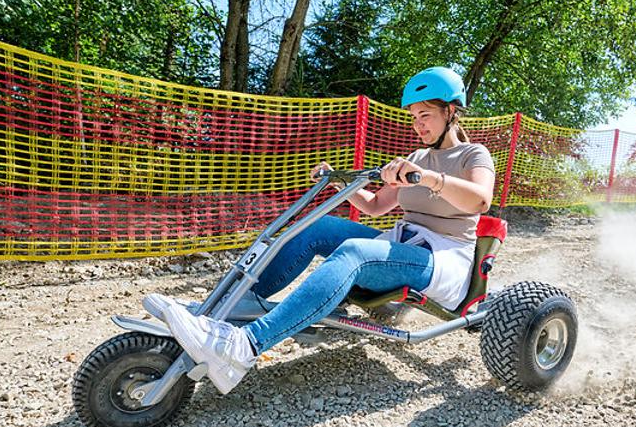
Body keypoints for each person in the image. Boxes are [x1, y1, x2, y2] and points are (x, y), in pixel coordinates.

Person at [146, 66, 496, 395]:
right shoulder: (417, 157)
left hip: (444, 260)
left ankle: (245, 346)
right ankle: (227, 309)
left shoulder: (473, 155)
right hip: (404, 243)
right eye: (414, 117)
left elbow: (480, 201)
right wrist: (336, 182)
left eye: (426, 116)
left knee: (355, 254)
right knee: (316, 226)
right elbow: (374, 206)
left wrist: (433, 179)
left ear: (451, 112)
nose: (418, 126)